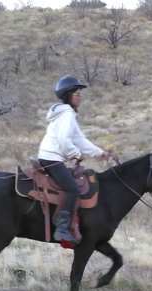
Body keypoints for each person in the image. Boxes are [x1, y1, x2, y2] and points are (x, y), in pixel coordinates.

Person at [38, 76, 110, 244]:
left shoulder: (64, 114)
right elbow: (64, 141)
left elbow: (79, 139)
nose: (80, 98)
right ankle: (62, 228)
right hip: (51, 158)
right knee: (72, 189)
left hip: (48, 156)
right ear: (68, 95)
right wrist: (77, 154)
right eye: (78, 94)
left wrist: (99, 153)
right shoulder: (67, 114)